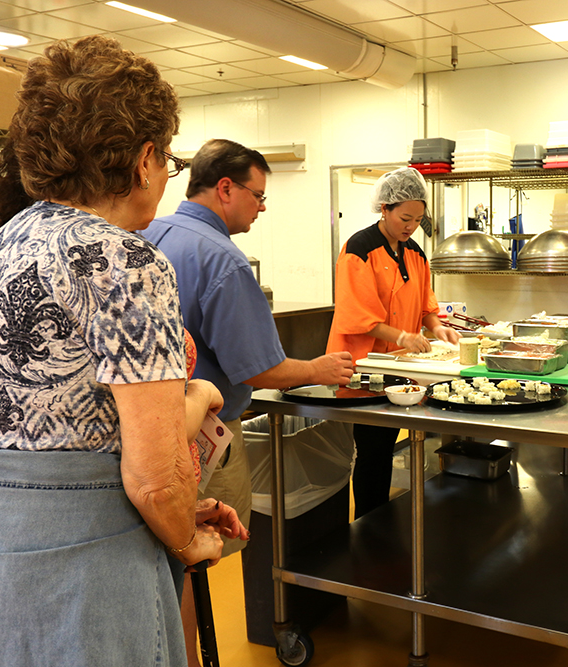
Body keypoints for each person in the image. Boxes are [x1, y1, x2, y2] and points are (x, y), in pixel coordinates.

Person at [0, 36, 246, 666]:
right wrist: (186, 539)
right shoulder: (125, 261)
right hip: (91, 559)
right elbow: (153, 481)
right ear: (145, 159)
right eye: (168, 160)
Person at [142, 138, 354, 666]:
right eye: (258, 196)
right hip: (200, 434)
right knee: (190, 559)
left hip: (143, 434)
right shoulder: (223, 260)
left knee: (157, 561)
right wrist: (317, 369)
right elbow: (258, 369)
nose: (261, 208)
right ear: (225, 188)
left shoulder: (148, 235)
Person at [327, 167, 460, 518]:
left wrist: (438, 328)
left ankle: (381, 519)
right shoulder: (359, 249)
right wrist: (401, 336)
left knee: (386, 445)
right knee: (372, 449)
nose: (411, 226)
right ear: (384, 209)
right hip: (364, 369)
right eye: (404, 218)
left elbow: (425, 303)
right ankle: (368, 523)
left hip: (400, 367)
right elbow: (357, 314)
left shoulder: (415, 253)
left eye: (417, 220)